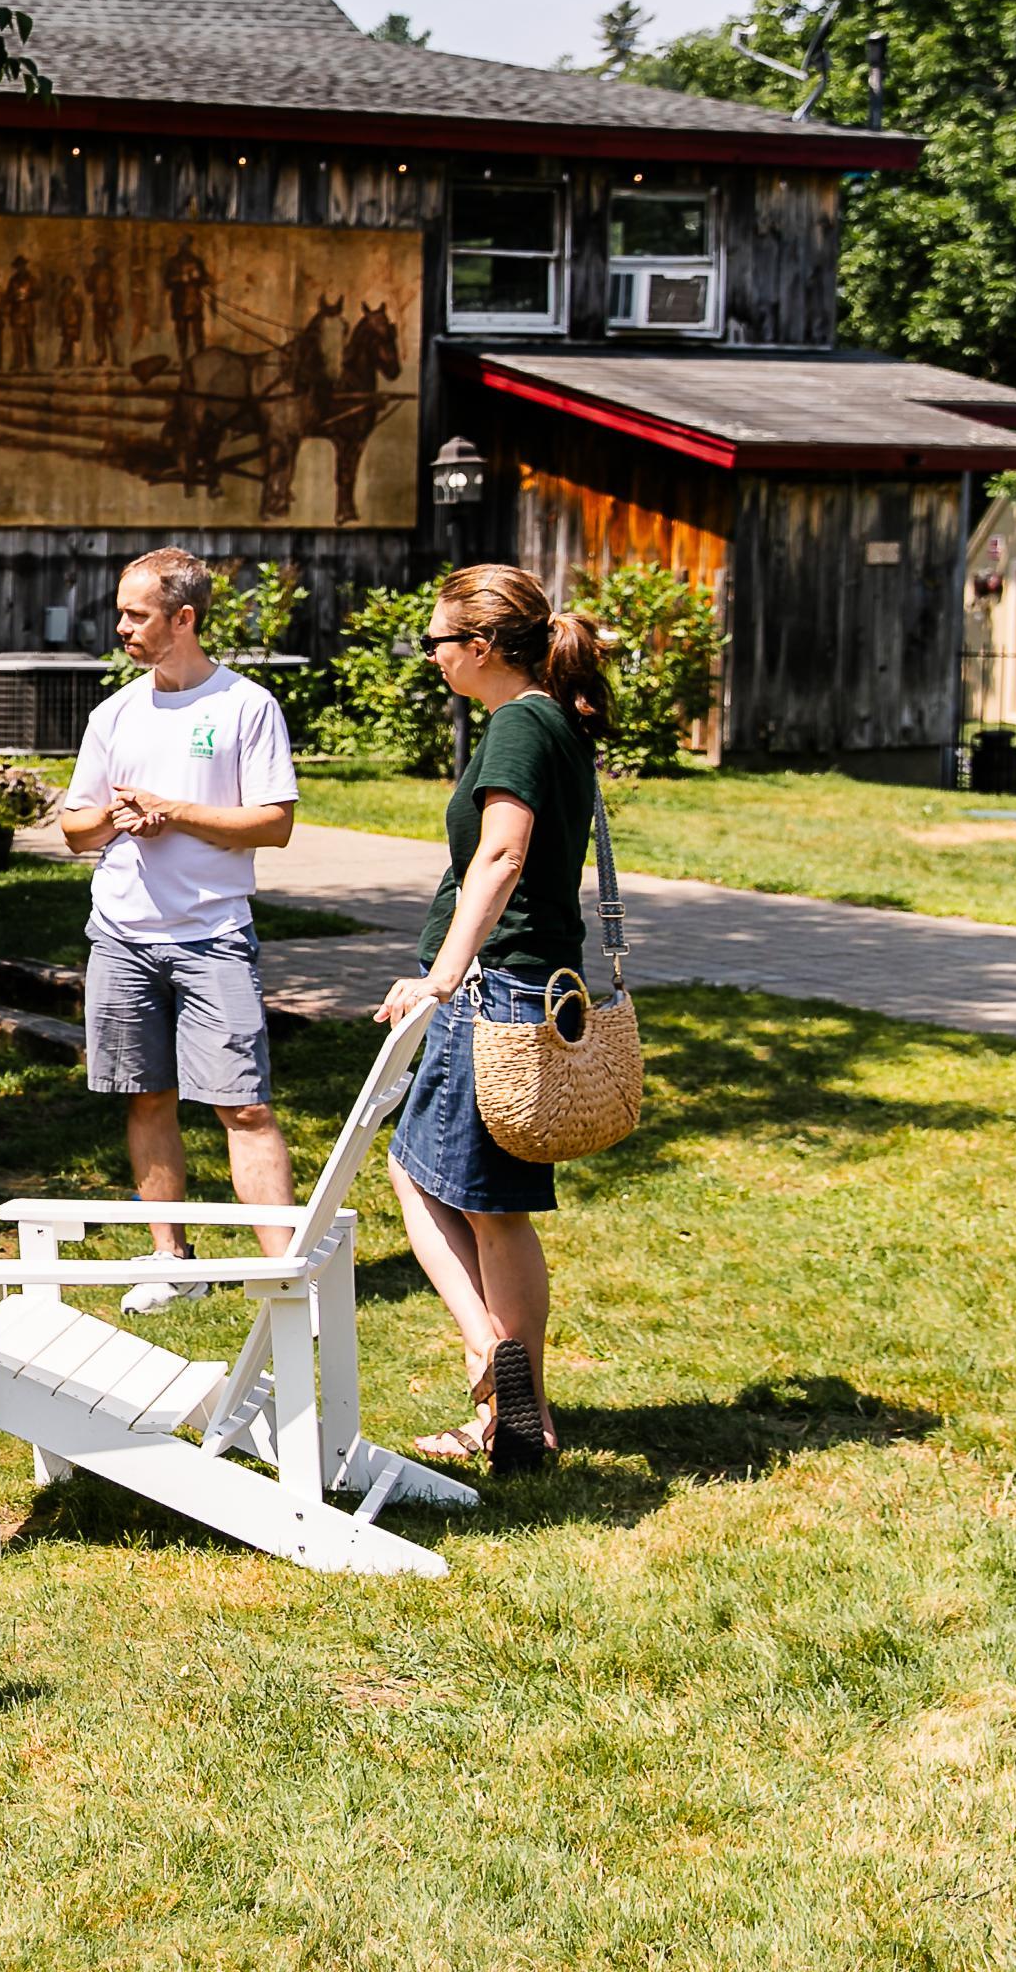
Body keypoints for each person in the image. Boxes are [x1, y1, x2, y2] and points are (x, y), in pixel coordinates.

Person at [369, 563, 611, 1475]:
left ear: (479, 646)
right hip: (526, 983)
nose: (430, 656)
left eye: (436, 641)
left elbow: (502, 857)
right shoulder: (550, 718)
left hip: (494, 988)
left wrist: (441, 977)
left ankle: (492, 1367)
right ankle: (519, 1412)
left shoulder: (518, 723)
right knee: (490, 1204)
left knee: (430, 1181)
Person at [55, 548, 300, 1315]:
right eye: (121, 614)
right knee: (147, 1098)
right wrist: (116, 816)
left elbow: (275, 823)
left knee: (245, 1106)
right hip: (121, 937)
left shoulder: (245, 707)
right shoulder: (114, 714)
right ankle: (171, 1259)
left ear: (184, 618)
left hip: (213, 936)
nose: (122, 628)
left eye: (137, 615)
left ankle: (287, 1277)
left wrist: (177, 812)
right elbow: (74, 828)